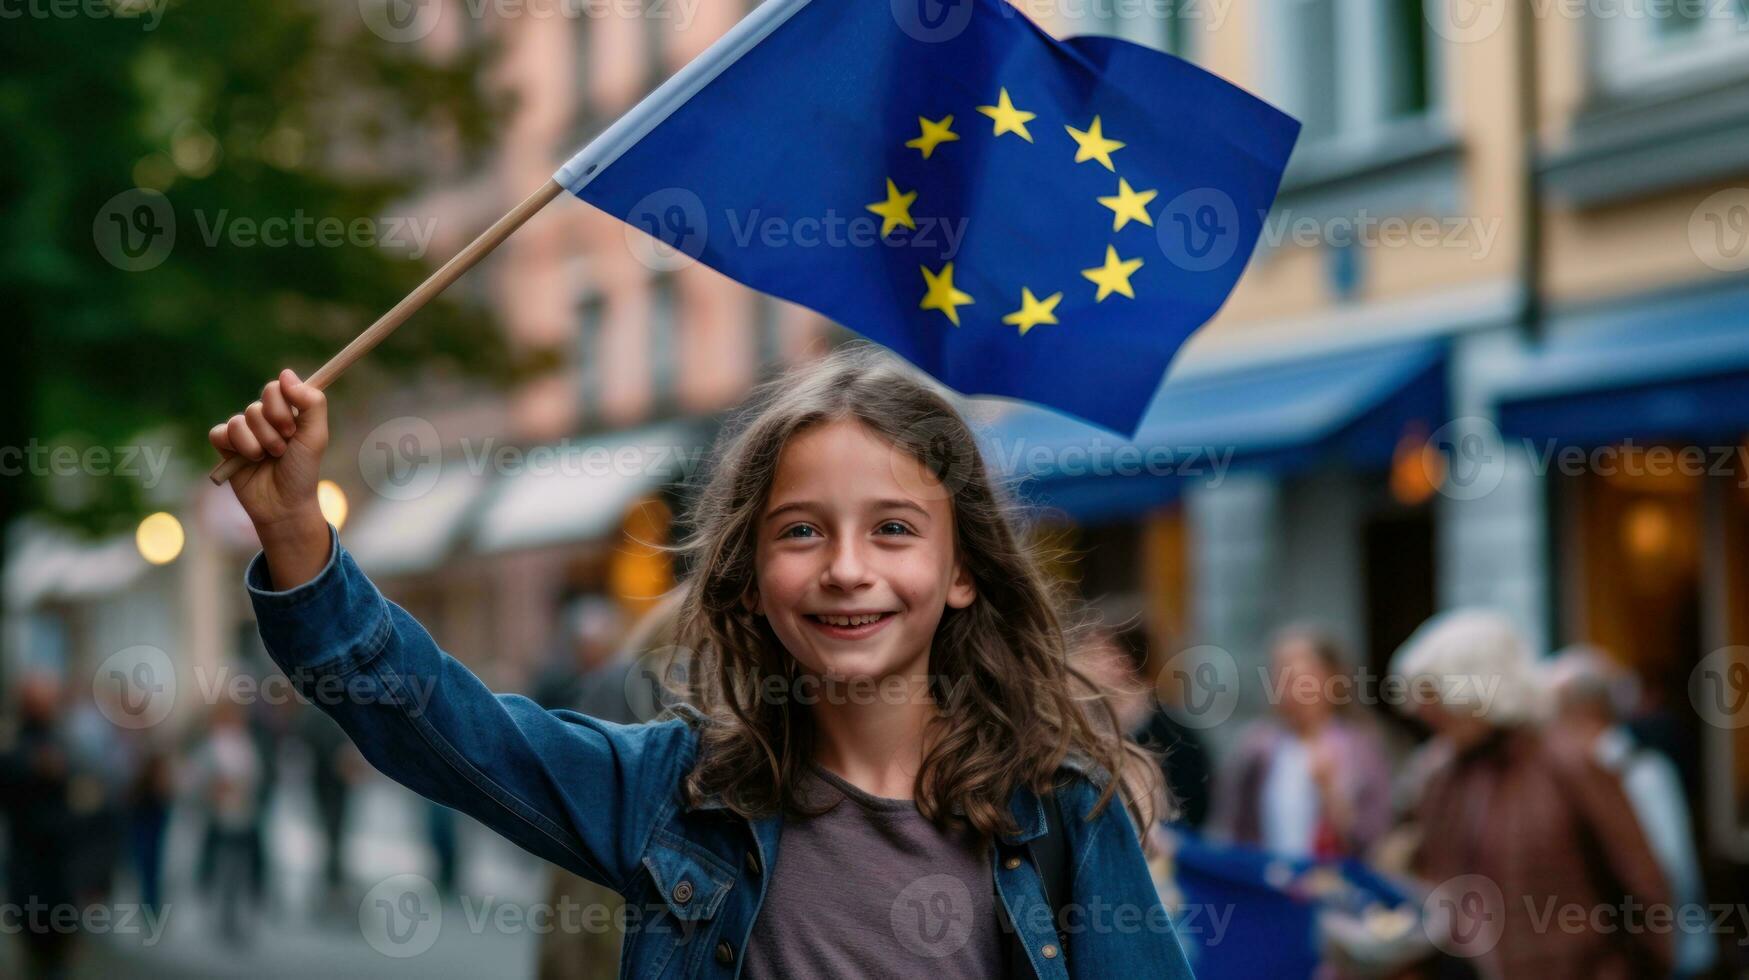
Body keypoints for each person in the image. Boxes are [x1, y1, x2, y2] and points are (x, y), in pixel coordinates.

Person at [208, 346, 1192, 978]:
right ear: (752, 571)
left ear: (962, 567)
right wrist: (297, 525)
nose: (848, 569)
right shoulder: (669, 793)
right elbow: (435, 723)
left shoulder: (1066, 807)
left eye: (894, 528)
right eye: (802, 529)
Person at [1390, 610, 1673, 980]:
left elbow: (1643, 886)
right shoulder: (1442, 776)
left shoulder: (1568, 763)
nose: (1423, 712)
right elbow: (1431, 880)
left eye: (1433, 696)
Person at [1546, 645, 1714, 977]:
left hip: (1659, 962)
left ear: (1582, 711)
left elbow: (1664, 872)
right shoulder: (1584, 774)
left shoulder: (1640, 774)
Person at [1213, 626, 1392, 860]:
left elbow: (1372, 840)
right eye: (1282, 678)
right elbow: (1231, 832)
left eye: (1302, 679)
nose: (1292, 691)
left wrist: (1331, 793)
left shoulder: (1361, 749)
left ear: (1332, 680)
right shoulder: (1255, 748)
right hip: (1266, 884)